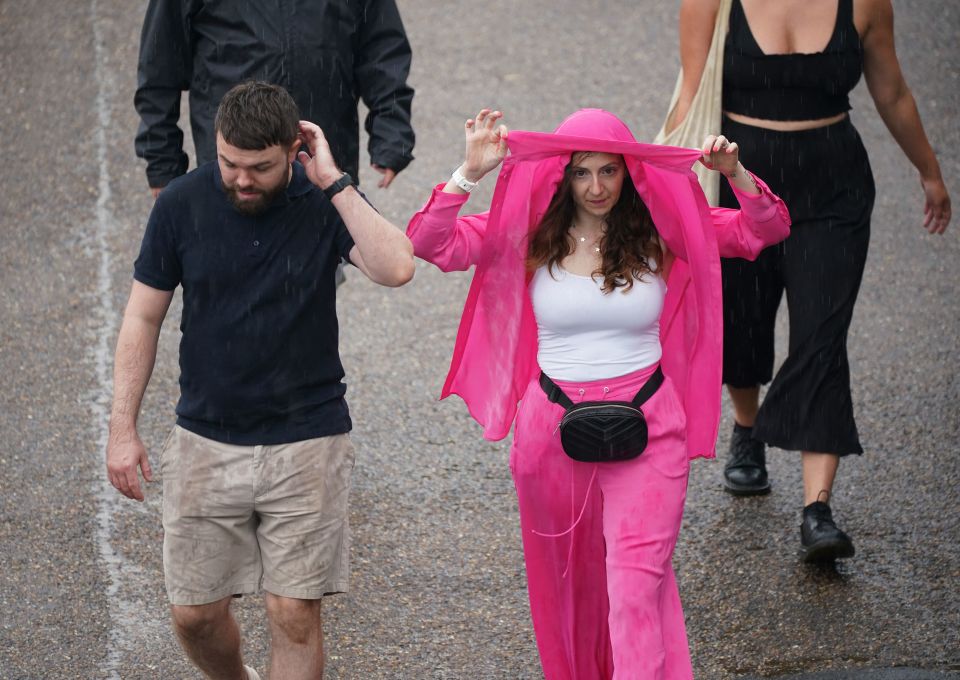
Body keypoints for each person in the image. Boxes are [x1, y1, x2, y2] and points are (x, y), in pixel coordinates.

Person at [406, 108, 790, 679]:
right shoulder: (530, 230)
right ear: (563, 174)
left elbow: (764, 230)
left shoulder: (663, 229)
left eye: (608, 171)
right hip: (549, 434)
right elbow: (430, 244)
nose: (596, 187)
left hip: (650, 431)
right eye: (582, 173)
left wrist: (736, 175)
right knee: (569, 588)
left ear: (628, 171)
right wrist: (468, 173)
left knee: (636, 589)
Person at [106, 82, 414, 680]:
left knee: (293, 610)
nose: (241, 179)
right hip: (204, 439)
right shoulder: (182, 204)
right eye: (229, 163)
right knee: (194, 614)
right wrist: (123, 428)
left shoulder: (323, 201)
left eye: (260, 168)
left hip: (308, 438)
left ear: (293, 151)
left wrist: (334, 182)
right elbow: (143, 316)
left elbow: (396, 267)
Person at [672, 0, 951, 562]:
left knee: (822, 336)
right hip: (738, 182)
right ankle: (748, 428)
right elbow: (691, 95)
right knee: (743, 324)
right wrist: (663, 195)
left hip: (834, 188)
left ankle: (816, 510)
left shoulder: (868, 4)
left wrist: (929, 171)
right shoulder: (710, 3)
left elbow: (891, 92)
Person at [134, 0, 415, 198]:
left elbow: (382, 51)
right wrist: (162, 162)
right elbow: (160, 67)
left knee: (320, 273)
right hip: (237, 170)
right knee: (233, 273)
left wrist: (392, 136)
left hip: (319, 161)